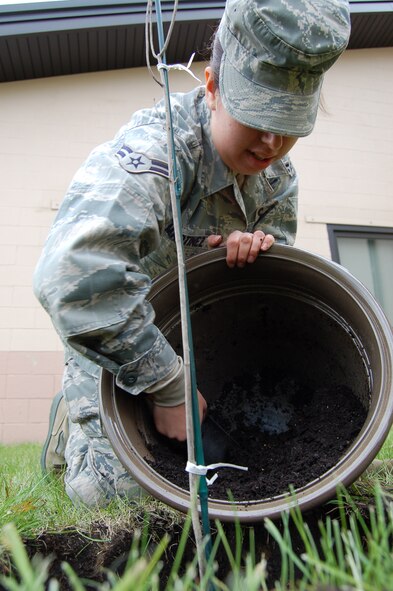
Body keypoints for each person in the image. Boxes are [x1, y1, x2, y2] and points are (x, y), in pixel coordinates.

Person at [34, 0, 351, 506]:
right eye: (257, 116)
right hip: (125, 337)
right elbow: (72, 279)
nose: (272, 142)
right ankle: (75, 416)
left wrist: (249, 258)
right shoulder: (160, 149)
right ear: (211, 87)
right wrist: (170, 385)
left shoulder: (277, 179)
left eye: (289, 123)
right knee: (114, 501)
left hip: (204, 344)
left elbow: (274, 292)